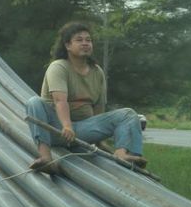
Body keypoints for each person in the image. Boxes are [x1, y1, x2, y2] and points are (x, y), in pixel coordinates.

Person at [26, 22, 147, 173]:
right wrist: (67, 126)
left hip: (82, 130)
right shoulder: (58, 67)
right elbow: (59, 100)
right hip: (57, 129)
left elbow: (98, 109)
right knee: (34, 102)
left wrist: (98, 141)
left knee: (128, 114)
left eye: (88, 40)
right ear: (68, 45)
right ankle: (46, 158)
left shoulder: (97, 72)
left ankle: (123, 155)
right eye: (79, 40)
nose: (85, 43)